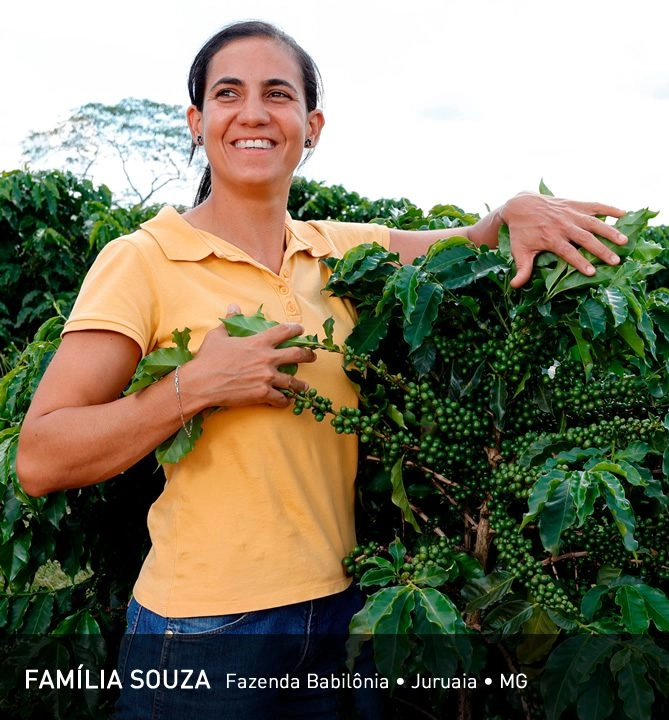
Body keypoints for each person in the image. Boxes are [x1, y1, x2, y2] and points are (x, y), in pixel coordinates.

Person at [14, 19, 626, 719]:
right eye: (228, 94)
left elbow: (468, 245)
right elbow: (40, 456)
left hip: (339, 619)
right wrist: (194, 386)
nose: (253, 113)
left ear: (312, 125)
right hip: (206, 632)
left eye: (277, 94)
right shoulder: (142, 259)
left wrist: (514, 212)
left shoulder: (341, 253)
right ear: (197, 120)